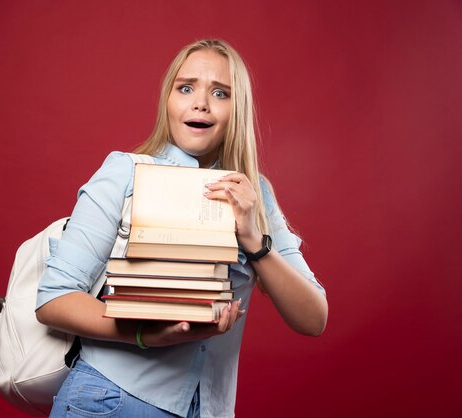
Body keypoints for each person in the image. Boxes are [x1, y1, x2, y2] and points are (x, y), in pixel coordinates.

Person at [35, 39, 328, 418]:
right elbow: (53, 299)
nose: (200, 103)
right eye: (186, 88)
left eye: (220, 92)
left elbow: (313, 318)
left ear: (236, 108)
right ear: (168, 101)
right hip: (111, 400)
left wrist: (254, 240)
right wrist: (145, 335)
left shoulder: (256, 195)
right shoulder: (125, 171)